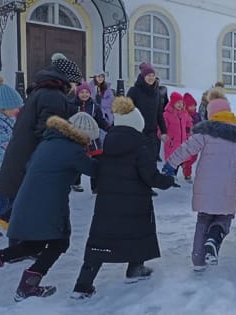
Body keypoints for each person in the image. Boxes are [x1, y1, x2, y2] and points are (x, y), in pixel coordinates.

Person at [72, 97, 175, 299]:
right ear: (138, 125)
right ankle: (135, 268)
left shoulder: (108, 144)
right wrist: (168, 180)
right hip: (135, 203)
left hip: (107, 203)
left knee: (100, 241)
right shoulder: (141, 148)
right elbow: (151, 177)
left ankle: (82, 285)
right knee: (137, 234)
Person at [0, 112, 99, 301]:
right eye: (89, 140)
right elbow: (94, 170)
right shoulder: (73, 150)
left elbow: (28, 166)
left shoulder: (48, 142)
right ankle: (28, 286)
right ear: (83, 135)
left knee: (34, 244)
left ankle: (0, 260)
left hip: (27, 200)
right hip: (47, 205)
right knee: (59, 242)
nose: (89, 144)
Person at [162, 90, 236, 271]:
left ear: (211, 114)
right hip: (229, 186)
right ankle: (215, 238)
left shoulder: (205, 133)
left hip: (205, 184)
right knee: (224, 217)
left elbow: (187, 148)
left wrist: (171, 164)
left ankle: (198, 261)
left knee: (203, 219)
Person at [0, 53, 82, 204]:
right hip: (28, 167)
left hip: (17, 165)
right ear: (68, 79)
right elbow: (49, 135)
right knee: (12, 216)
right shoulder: (54, 97)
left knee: (8, 215)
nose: (75, 88)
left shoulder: (40, 92)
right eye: (76, 83)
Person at [0, 75, 23, 246]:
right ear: (3, 106)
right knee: (1, 201)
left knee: (5, 201)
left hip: (3, 171)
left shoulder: (6, 120)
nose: (16, 110)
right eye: (14, 107)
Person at [71, 82, 110, 193]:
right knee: (77, 160)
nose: (84, 94)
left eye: (87, 92)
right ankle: (75, 182)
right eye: (82, 92)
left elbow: (100, 120)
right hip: (76, 138)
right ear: (77, 93)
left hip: (93, 139)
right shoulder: (71, 105)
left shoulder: (94, 106)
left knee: (97, 161)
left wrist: (109, 128)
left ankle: (96, 186)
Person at [126, 62, 168, 161]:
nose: (151, 78)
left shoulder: (156, 92)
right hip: (137, 133)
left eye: (153, 75)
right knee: (138, 161)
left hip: (152, 134)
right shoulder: (134, 91)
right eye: (148, 75)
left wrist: (163, 131)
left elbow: (159, 114)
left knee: (151, 161)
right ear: (143, 76)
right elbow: (126, 112)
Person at [163, 92, 192, 179]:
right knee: (172, 161)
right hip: (171, 143)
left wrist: (188, 132)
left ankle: (173, 176)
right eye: (178, 102)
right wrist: (163, 135)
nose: (180, 104)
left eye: (181, 102)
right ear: (173, 102)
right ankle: (170, 177)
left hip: (182, 142)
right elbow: (162, 127)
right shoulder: (166, 115)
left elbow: (189, 122)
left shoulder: (184, 113)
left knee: (180, 161)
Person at [182, 92, 201, 181]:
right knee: (188, 159)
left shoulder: (197, 115)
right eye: (191, 106)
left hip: (196, 140)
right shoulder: (184, 115)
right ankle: (187, 174)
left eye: (194, 105)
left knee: (194, 157)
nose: (193, 107)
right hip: (187, 140)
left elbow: (201, 124)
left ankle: (186, 166)